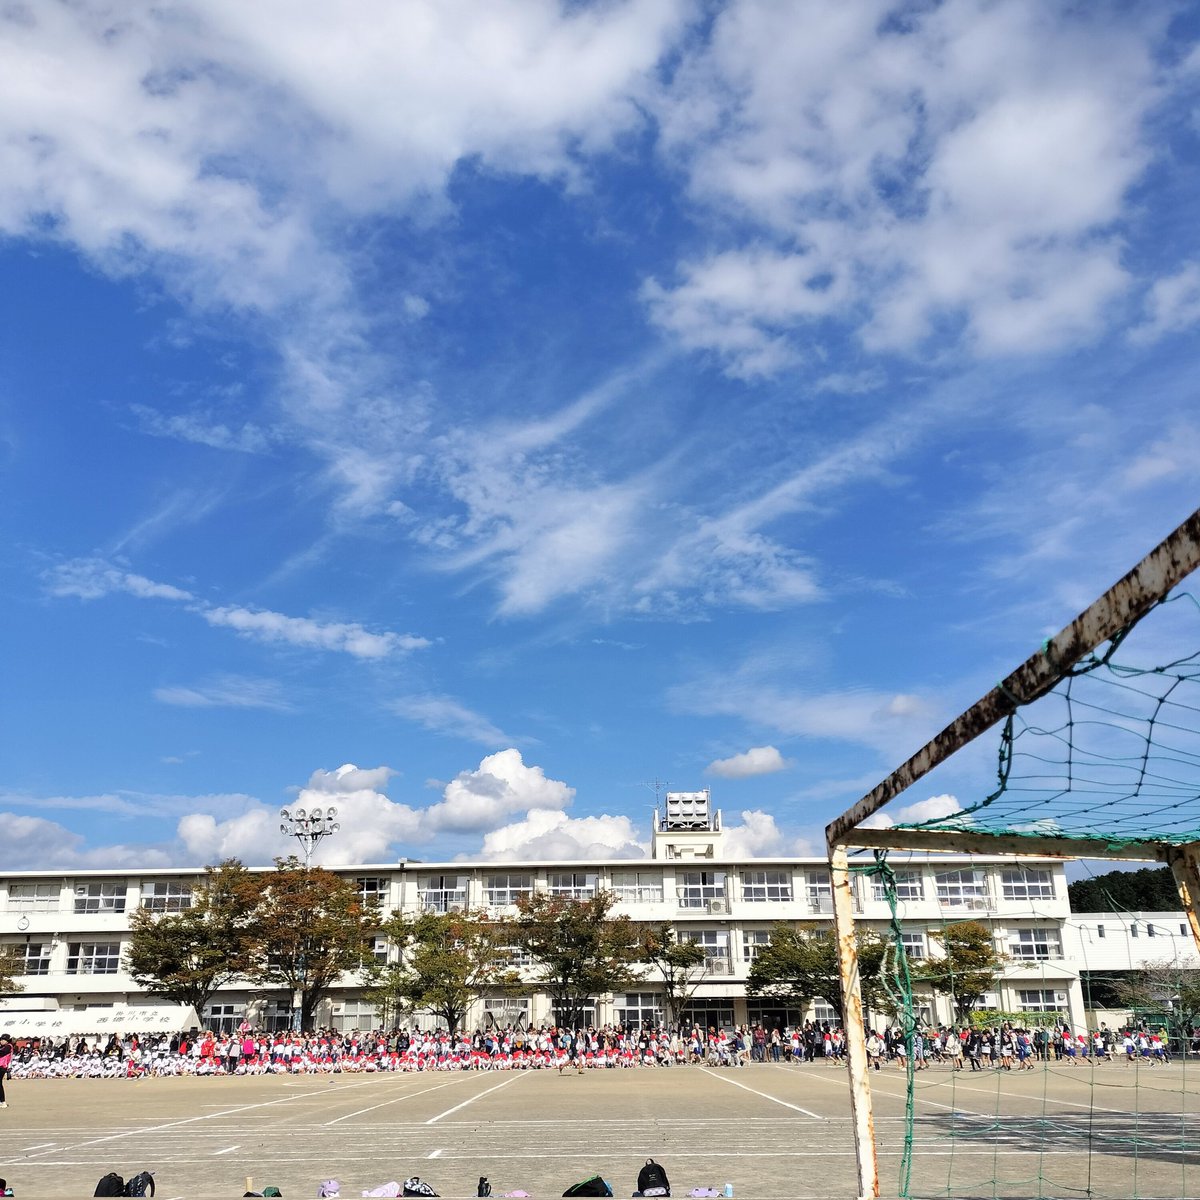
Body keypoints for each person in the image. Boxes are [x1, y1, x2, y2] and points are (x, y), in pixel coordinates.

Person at [0, 1031, 13, 1108]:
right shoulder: (3, 1047)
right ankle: (1, 1101)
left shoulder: (8, 1046)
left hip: (2, 1067)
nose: (1, 1041)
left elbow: (2, 1053)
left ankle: (3, 1102)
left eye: (3, 1040)